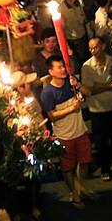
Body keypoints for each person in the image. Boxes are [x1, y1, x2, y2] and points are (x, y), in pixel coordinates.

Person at [40, 58, 90, 207]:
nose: (63, 69)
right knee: (67, 167)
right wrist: (71, 109)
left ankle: (79, 187)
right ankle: (74, 193)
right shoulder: (47, 92)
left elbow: (89, 92)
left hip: (81, 131)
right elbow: (51, 116)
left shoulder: (71, 82)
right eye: (59, 67)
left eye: (63, 66)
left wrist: (78, 85)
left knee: (85, 161)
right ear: (51, 71)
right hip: (64, 135)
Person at [80, 36, 112, 182]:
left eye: (96, 47)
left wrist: (101, 86)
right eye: (90, 48)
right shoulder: (86, 67)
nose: (93, 50)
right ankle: (105, 168)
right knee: (100, 140)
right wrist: (108, 86)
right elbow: (89, 89)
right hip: (97, 109)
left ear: (103, 46)